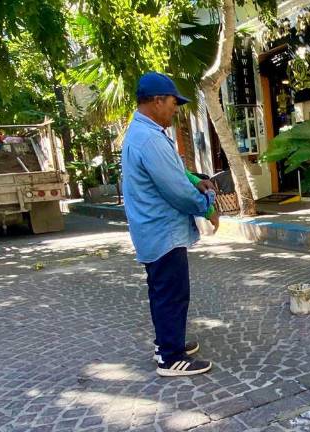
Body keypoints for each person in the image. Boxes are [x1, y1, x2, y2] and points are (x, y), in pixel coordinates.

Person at [121, 71, 220, 377]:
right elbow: (176, 190)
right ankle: (171, 358)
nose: (176, 109)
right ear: (156, 101)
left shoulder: (142, 133)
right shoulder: (149, 139)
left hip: (153, 230)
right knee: (171, 293)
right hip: (162, 232)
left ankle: (166, 342)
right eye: (173, 103)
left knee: (163, 290)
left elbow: (176, 173)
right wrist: (208, 208)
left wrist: (197, 180)